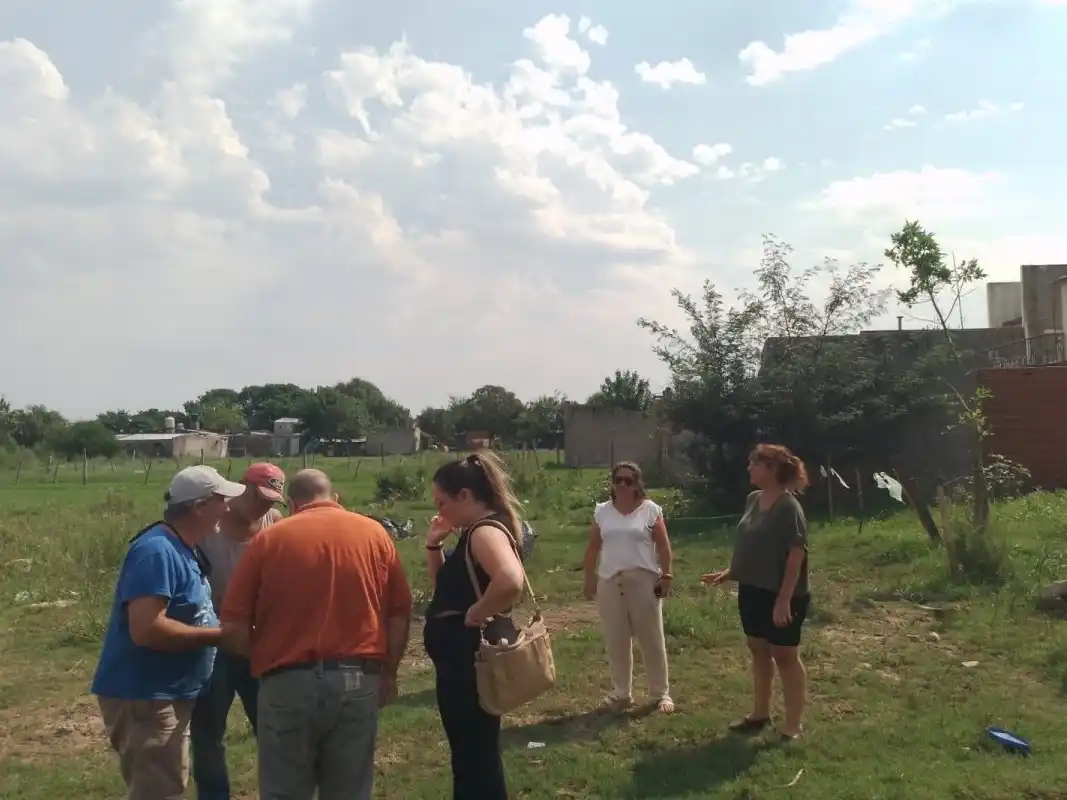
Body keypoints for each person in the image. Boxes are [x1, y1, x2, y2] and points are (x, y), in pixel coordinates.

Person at [219, 468, 413, 800]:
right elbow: (398, 612)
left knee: (284, 788)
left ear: (293, 504)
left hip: (287, 681)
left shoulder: (268, 539)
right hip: (357, 679)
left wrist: (266, 656)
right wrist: (390, 673)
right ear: (334, 499)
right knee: (349, 789)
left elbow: (234, 627)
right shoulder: (375, 534)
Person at [91, 465, 246, 800]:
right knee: (158, 791)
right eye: (222, 500)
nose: (229, 508)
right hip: (147, 697)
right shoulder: (156, 551)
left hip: (164, 694)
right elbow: (146, 629)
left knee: (168, 784)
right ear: (199, 506)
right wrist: (221, 636)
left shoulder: (180, 546)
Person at [423, 452, 527, 800]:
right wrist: (434, 543)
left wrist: (477, 612)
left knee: (475, 757)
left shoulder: (483, 532)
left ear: (465, 496)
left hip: (468, 662)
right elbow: (445, 590)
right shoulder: (475, 531)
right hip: (459, 663)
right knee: (471, 754)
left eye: (443, 502)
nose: (440, 510)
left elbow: (511, 581)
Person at [701, 443, 811, 741]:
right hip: (752, 590)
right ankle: (760, 713)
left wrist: (784, 599)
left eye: (755, 463)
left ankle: (793, 725)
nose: (749, 468)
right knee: (759, 651)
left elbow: (795, 555)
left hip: (783, 594)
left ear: (772, 469)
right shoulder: (753, 499)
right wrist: (731, 572)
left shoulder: (789, 507)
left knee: (785, 655)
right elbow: (752, 544)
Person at [191, 462, 287, 800]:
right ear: (242, 487)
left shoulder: (273, 524)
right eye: (261, 497)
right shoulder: (209, 527)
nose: (266, 505)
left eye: (273, 500)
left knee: (272, 730)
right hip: (213, 641)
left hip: (257, 643)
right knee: (207, 732)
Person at [582, 461, 675, 714]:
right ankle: (621, 693)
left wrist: (666, 575)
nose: (622, 485)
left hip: (643, 580)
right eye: (618, 480)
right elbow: (593, 547)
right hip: (610, 580)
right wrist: (589, 578)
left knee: (651, 638)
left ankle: (660, 693)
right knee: (616, 639)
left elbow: (664, 546)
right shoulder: (603, 511)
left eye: (628, 481)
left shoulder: (650, 511)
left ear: (637, 484)